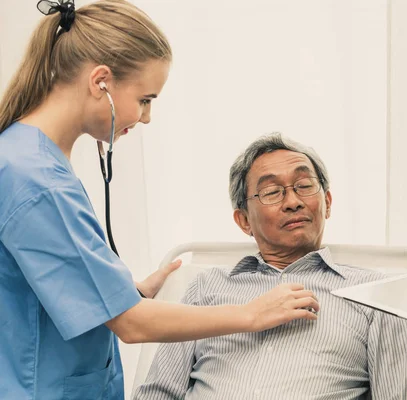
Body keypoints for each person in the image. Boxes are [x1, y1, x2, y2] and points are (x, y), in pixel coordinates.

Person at [0, 2, 319, 399]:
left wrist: (121, 290)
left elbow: (39, 282)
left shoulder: (31, 160)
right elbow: (132, 326)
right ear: (101, 82)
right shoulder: (36, 179)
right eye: (145, 99)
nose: (147, 117)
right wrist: (251, 314)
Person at [133, 133, 407, 400]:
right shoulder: (206, 287)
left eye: (304, 185)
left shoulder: (378, 296)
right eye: (272, 192)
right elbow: (160, 391)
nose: (292, 201)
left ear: (327, 202)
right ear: (244, 221)